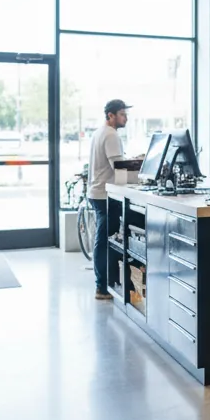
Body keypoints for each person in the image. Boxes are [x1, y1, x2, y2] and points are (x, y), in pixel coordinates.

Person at [88, 99, 130, 300]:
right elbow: (119, 168)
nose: (126, 118)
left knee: (103, 239)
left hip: (97, 193)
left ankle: (105, 283)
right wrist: (139, 173)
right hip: (105, 195)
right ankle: (102, 287)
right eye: (122, 114)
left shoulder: (99, 132)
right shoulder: (111, 135)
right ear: (110, 115)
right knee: (105, 241)